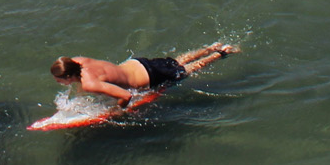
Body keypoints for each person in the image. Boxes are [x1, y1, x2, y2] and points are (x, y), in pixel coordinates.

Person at [51, 43, 240, 109]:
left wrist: (117, 111)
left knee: (186, 71)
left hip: (150, 77)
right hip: (139, 63)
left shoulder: (90, 84)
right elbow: (83, 81)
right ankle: (212, 47)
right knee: (176, 61)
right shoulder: (79, 61)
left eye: (59, 79)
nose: (57, 82)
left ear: (69, 76)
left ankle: (222, 53)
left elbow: (126, 96)